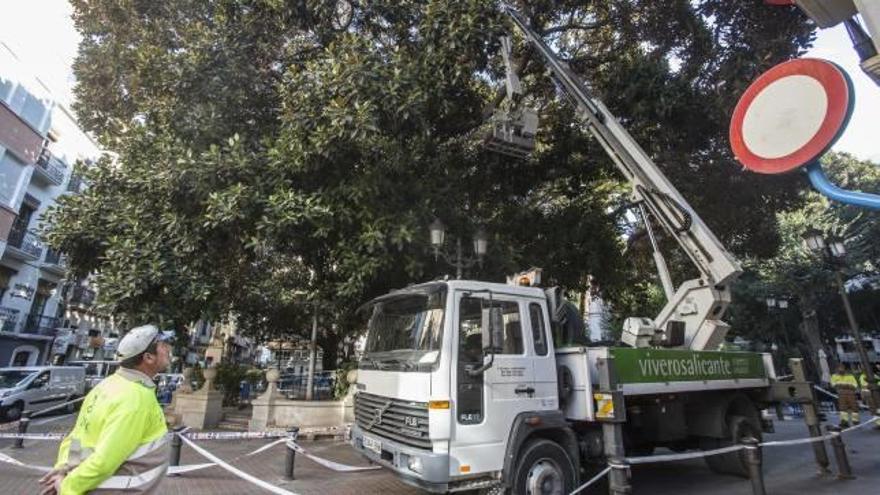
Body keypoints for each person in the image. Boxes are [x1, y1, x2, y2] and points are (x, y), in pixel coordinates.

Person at [39, 325, 174, 495]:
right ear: (148, 357)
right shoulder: (136, 398)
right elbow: (105, 460)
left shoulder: (106, 385)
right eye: (163, 344)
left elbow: (78, 437)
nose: (169, 348)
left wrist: (65, 469)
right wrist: (68, 487)